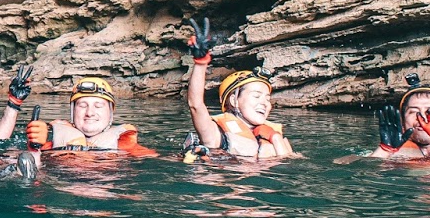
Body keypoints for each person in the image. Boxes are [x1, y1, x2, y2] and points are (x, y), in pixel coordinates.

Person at [184, 18, 295, 160]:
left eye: (267, 98)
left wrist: (276, 138)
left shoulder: (271, 134)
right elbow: (195, 105)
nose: (264, 103)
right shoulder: (215, 135)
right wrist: (201, 62)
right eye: (256, 96)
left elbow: (292, 165)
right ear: (234, 100)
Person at [24, 76, 157, 156]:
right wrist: (34, 149)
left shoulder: (124, 144)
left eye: (98, 106)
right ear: (73, 111)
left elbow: (157, 160)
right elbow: (6, 159)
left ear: (111, 112)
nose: (90, 113)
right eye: (82, 105)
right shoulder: (49, 139)